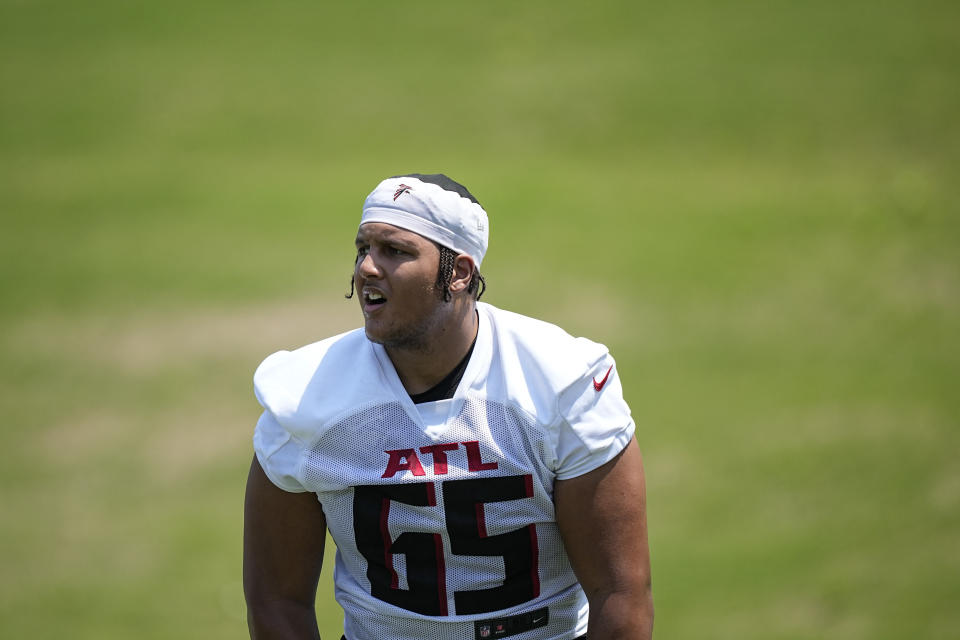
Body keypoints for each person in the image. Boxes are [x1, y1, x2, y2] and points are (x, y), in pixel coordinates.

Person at [243, 173, 653, 640]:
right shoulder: (305, 395)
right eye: (363, 248)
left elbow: (621, 595)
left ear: (458, 273)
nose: (366, 268)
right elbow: (276, 601)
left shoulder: (558, 380)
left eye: (395, 251)